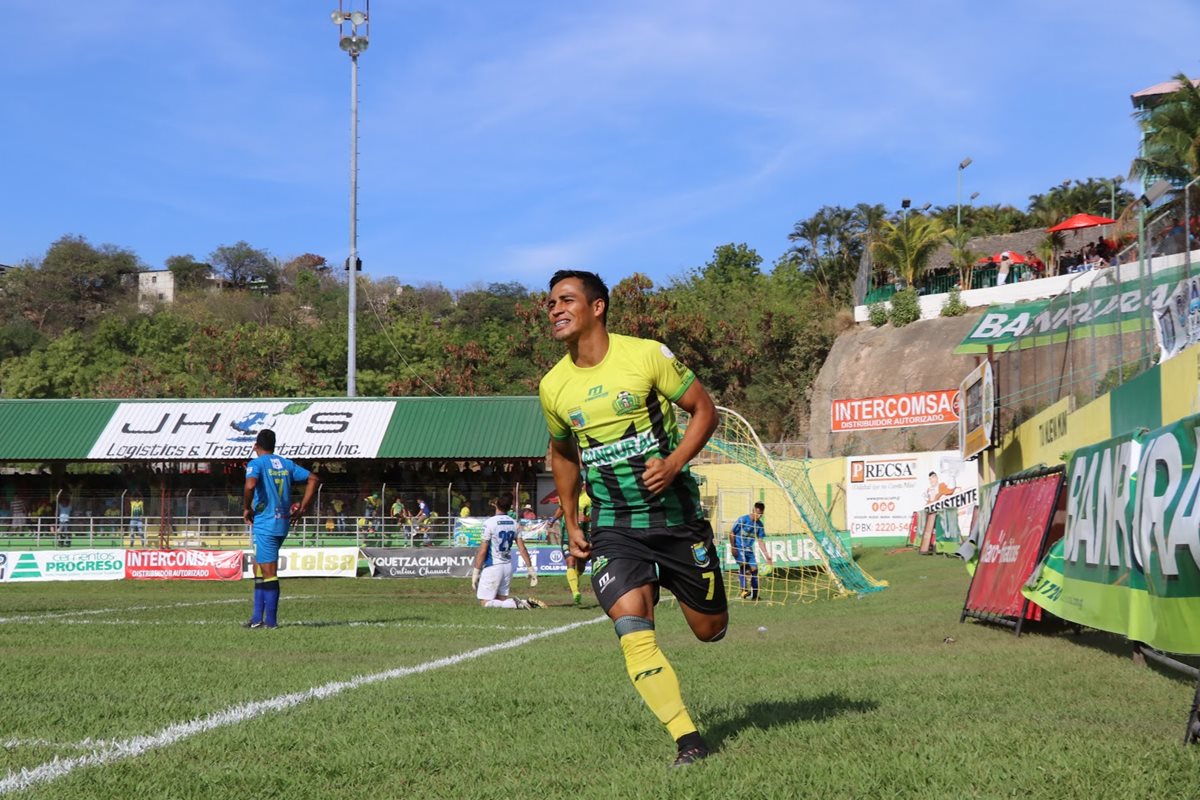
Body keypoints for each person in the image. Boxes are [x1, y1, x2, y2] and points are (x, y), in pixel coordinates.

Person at [539, 269, 726, 768]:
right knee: (631, 627)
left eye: (566, 300)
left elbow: (704, 410)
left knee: (710, 630)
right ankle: (687, 739)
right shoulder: (553, 386)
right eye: (550, 303)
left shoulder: (646, 355)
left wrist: (674, 462)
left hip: (676, 518)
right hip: (614, 527)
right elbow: (562, 454)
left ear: (596, 307)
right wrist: (572, 523)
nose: (554, 309)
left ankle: (671, 578)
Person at [242, 429, 319, 629]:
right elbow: (313, 479)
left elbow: (250, 486)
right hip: (281, 521)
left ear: (255, 446)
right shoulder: (286, 463)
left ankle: (271, 622)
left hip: (266, 523)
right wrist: (303, 507)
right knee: (258, 567)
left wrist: (246, 508)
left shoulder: (256, 463)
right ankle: (257, 619)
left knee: (269, 572)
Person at [470, 496, 542, 609]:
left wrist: (476, 571)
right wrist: (530, 568)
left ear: (496, 504)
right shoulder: (514, 523)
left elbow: (483, 550)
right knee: (501, 602)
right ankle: (523, 603)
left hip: (493, 566)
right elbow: (522, 548)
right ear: (509, 508)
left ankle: (519, 603)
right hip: (507, 567)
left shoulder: (489, 523)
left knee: (486, 603)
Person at [551, 488, 593, 605]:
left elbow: (593, 516)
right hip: (567, 534)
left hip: (582, 535)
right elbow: (561, 509)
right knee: (570, 561)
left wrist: (586, 518)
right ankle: (575, 592)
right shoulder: (565, 495)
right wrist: (553, 519)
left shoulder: (588, 498)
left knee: (581, 565)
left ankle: (575, 578)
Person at [730, 502, 772, 601]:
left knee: (754, 569)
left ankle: (755, 595)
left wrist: (767, 556)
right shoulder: (743, 520)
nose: (759, 516)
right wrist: (733, 547)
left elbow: (760, 541)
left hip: (749, 550)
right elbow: (732, 532)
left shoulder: (759, 525)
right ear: (753, 511)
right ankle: (744, 591)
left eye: (761, 514)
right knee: (744, 567)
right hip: (739, 547)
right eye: (757, 513)